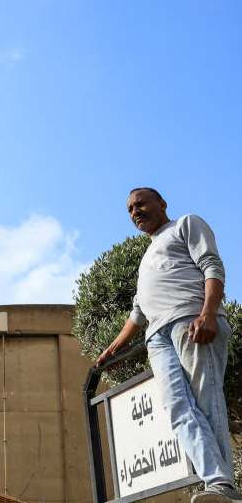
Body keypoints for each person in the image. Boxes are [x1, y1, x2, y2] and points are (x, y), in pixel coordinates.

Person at [97, 187, 237, 502]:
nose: (135, 211)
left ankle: (222, 485)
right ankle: (216, 481)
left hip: (192, 321)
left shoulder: (186, 224)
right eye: (130, 209)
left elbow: (212, 267)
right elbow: (138, 312)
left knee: (206, 399)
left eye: (140, 203)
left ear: (162, 203)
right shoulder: (147, 257)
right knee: (177, 407)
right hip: (156, 338)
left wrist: (208, 314)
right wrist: (113, 349)